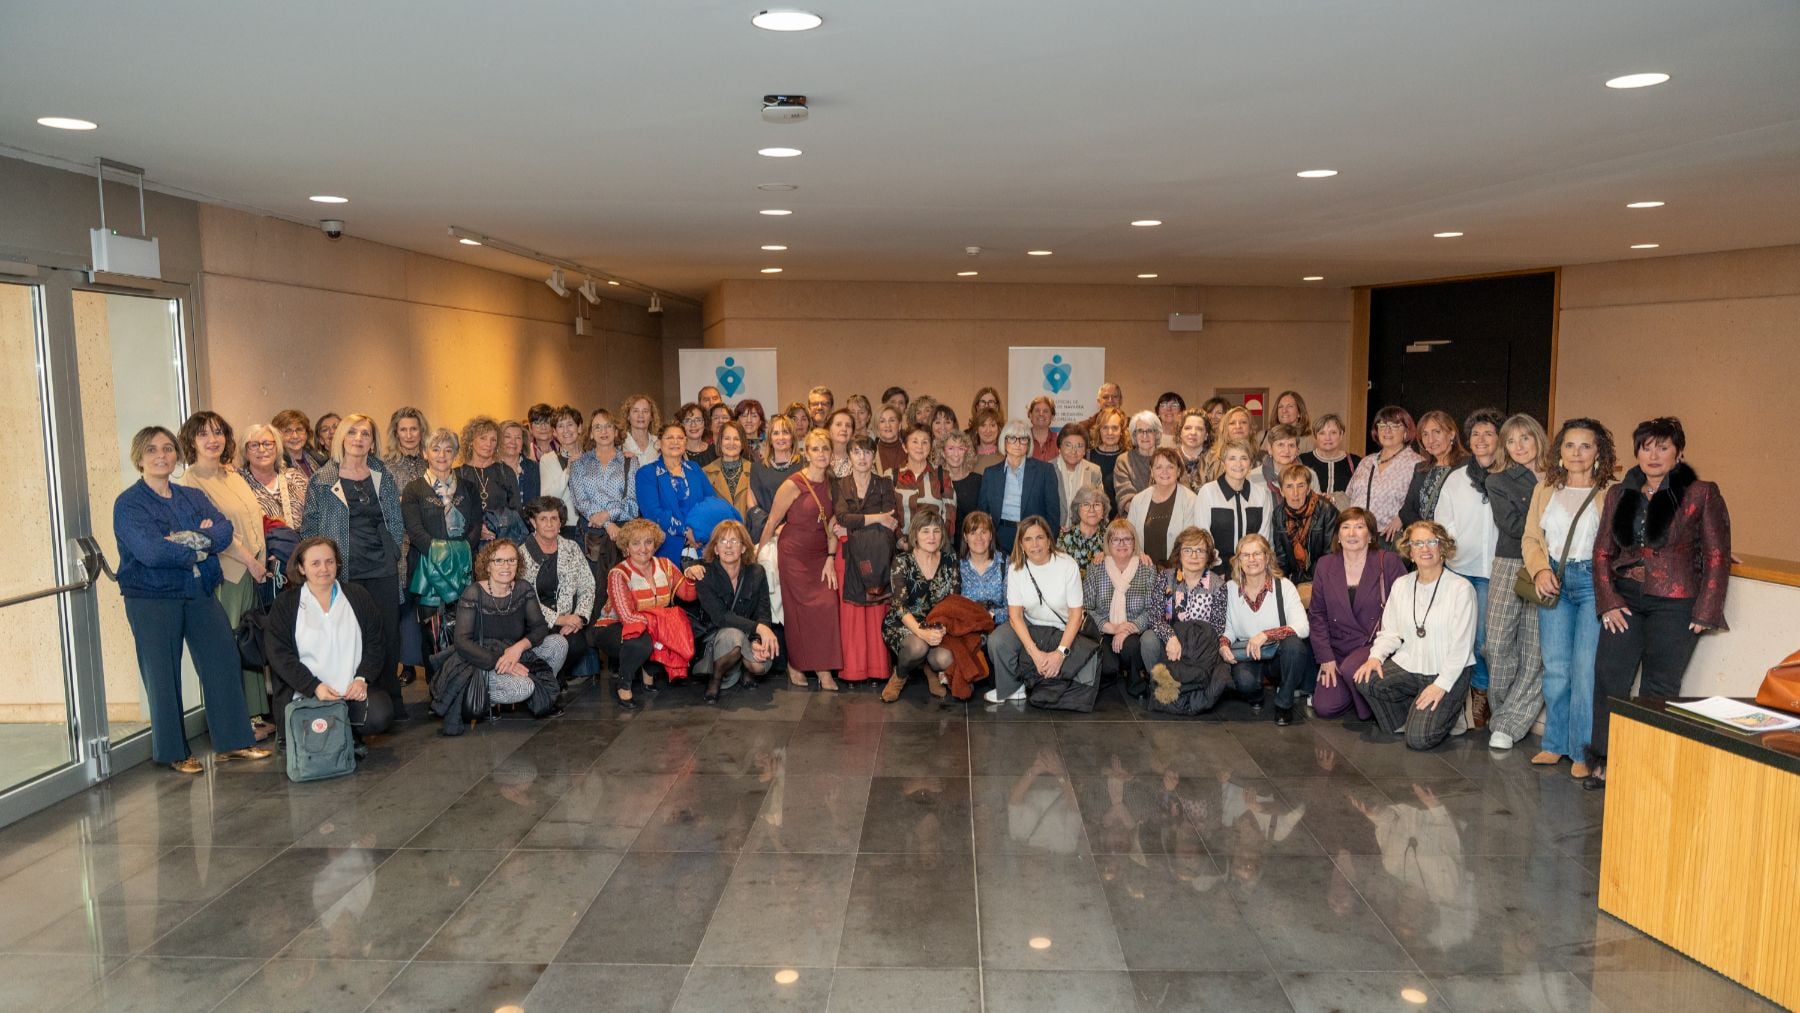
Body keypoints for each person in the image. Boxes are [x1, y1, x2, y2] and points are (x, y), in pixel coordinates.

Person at [113, 426, 271, 773]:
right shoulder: (129, 504)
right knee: (163, 675)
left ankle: (233, 742)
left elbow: (223, 531)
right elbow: (152, 552)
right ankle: (173, 752)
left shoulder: (191, 496)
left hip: (199, 591)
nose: (161, 455)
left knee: (223, 660)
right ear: (139, 457)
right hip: (152, 598)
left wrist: (184, 539)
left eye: (168, 448)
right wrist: (201, 544)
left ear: (177, 454)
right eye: (152, 450)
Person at [1586, 417, 1731, 790]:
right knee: (1609, 677)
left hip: (1676, 602)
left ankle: (1648, 766)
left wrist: (1707, 609)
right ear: (1637, 452)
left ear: (1679, 453)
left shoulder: (1700, 492)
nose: (1653, 455)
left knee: (1659, 685)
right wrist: (1608, 600)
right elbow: (1602, 552)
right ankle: (1605, 758)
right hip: (1625, 598)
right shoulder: (1620, 492)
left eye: (1663, 447)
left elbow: (1717, 554)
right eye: (1646, 447)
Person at [1521, 418, 1616, 778]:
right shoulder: (1545, 489)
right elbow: (1531, 538)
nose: (1577, 453)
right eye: (1570, 445)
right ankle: (1554, 743)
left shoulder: (1612, 492)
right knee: (1557, 669)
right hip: (1554, 581)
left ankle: (1581, 751)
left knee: (1584, 670)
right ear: (1559, 451)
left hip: (1593, 583)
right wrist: (1539, 571)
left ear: (1598, 452)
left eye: (1586, 446)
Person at [301, 413, 408, 717]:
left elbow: (395, 520)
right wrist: (320, 567)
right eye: (352, 432)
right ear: (341, 438)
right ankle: (355, 703)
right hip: (345, 570)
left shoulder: (381, 473)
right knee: (352, 636)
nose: (359, 439)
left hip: (383, 567)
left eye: (365, 434)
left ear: (373, 442)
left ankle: (391, 701)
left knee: (388, 635)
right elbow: (309, 528)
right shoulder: (322, 479)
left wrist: (394, 551)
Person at [177, 411, 274, 736]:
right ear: (191, 441)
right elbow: (218, 534)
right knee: (229, 646)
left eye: (218, 432)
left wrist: (258, 561)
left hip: (250, 571)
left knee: (248, 640)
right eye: (203, 434)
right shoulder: (190, 483)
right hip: (227, 573)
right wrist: (251, 562)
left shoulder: (231, 475)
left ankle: (255, 716)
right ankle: (237, 720)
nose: (212, 439)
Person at [1353, 520, 1478, 750]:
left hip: (1447, 672)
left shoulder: (1461, 589)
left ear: (1442, 548)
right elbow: (1390, 632)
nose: (1425, 549)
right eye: (1417, 543)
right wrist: (1375, 657)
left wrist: (1441, 685)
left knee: (1418, 739)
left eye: (1432, 542)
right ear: (1410, 551)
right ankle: (1417, 714)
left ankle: (1453, 711)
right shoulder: (1401, 585)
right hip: (1410, 666)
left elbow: (1461, 648)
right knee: (1366, 678)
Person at [265, 536, 395, 743]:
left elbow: (376, 643)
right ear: (301, 568)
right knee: (316, 737)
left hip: (351, 693)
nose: (324, 569)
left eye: (329, 561)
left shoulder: (357, 596)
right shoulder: (285, 604)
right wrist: (314, 686)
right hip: (307, 695)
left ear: (337, 564)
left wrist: (362, 679)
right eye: (315, 563)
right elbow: (279, 655)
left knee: (379, 715)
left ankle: (347, 734)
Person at [435, 539, 567, 734]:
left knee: (558, 643)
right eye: (499, 561)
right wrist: (502, 661)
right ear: (487, 565)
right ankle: (489, 700)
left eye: (511, 560)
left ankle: (540, 696)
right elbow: (462, 641)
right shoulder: (473, 593)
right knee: (523, 688)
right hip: (480, 659)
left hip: (514, 652)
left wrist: (518, 648)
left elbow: (540, 627)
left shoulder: (523, 588)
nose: (506, 566)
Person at [1482, 413, 1549, 751]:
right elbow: (1512, 525)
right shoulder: (1498, 481)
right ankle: (1504, 714)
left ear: (1538, 438)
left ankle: (1511, 723)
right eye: (1510, 441)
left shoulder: (1560, 478)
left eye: (1525, 438)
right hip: (1510, 563)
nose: (1519, 446)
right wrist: (1547, 523)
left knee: (1534, 648)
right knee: (1497, 644)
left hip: (1548, 567)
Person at [1433, 409, 1503, 727]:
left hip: (1495, 570)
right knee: (1459, 636)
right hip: (1460, 569)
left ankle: (1482, 692)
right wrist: (1452, 553)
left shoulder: (1509, 475)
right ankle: (1460, 695)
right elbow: (1443, 522)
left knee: (1485, 640)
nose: (1481, 439)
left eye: (1488, 433)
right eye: (1475, 434)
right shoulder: (1457, 478)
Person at [1306, 507, 1409, 722]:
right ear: (1338, 535)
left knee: (1351, 668)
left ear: (1370, 535)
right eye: (1346, 527)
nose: (1352, 533)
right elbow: (1317, 615)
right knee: (1324, 707)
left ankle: (1365, 692)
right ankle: (1359, 689)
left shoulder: (1388, 562)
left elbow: (1405, 608)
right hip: (1338, 648)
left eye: (1359, 527)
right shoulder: (1325, 564)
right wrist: (1326, 657)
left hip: (1374, 645)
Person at [758, 427, 842, 691]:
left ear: (832, 453)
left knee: (828, 604)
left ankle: (823, 666)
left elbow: (833, 524)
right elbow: (772, 521)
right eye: (815, 449)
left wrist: (830, 557)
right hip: (793, 555)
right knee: (799, 613)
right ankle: (797, 664)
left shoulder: (834, 484)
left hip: (820, 554)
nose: (821, 454)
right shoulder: (793, 483)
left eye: (825, 449)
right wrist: (757, 557)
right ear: (806, 453)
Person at [983, 516, 1098, 704]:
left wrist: (1060, 653)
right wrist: (1034, 653)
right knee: (998, 640)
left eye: (1039, 537)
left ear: (1049, 540)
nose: (1035, 545)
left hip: (1063, 626)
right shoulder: (1016, 568)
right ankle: (1012, 688)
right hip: (1031, 622)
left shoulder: (1067, 565)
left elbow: (1076, 616)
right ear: (1021, 544)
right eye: (1028, 539)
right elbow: (1015, 616)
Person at [593, 519, 698, 708]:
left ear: (655, 544)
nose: (643, 548)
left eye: (648, 542)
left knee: (685, 628)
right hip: (612, 627)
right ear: (626, 547)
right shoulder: (618, 573)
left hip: (650, 625)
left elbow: (688, 595)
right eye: (636, 543)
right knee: (642, 642)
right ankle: (624, 684)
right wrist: (664, 624)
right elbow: (627, 617)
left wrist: (692, 575)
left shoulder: (665, 565)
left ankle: (648, 670)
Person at [1220, 533, 1313, 724]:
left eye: (1257, 554)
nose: (1251, 559)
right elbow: (1229, 628)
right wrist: (1223, 644)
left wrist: (1266, 634)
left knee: (1295, 646)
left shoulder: (1284, 586)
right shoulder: (1230, 588)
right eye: (1245, 555)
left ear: (1267, 557)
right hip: (1248, 653)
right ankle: (1256, 696)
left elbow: (1303, 627)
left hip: (1279, 654)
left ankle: (1284, 703)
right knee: (1245, 683)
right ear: (1238, 560)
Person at [683, 520, 778, 701]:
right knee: (734, 636)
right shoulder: (704, 573)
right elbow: (721, 617)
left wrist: (757, 639)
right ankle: (715, 679)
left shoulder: (756, 572)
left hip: (748, 634)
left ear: (743, 548)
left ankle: (745, 668)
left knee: (760, 665)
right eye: (723, 541)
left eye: (734, 541)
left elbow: (763, 612)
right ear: (715, 549)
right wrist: (759, 628)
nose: (728, 546)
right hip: (716, 637)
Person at [833, 434, 899, 684]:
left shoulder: (884, 484)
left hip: (877, 557)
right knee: (851, 615)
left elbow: (891, 520)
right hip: (848, 557)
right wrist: (877, 518)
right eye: (857, 452)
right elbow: (842, 518)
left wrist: (853, 528)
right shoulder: (840, 484)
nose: (862, 457)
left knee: (876, 612)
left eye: (868, 452)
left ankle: (878, 670)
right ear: (849, 456)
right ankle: (853, 671)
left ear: (874, 456)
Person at [881, 508, 961, 701]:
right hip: (904, 622)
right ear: (915, 534)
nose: (931, 537)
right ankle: (899, 676)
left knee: (944, 658)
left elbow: (953, 602)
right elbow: (899, 606)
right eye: (925, 531)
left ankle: (929, 669)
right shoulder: (902, 561)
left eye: (936, 531)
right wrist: (921, 632)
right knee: (918, 646)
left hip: (936, 623)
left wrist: (941, 628)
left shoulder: (950, 559)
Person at [401, 426, 478, 622]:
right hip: (427, 569)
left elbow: (476, 527)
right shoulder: (413, 489)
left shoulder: (469, 488)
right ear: (425, 453)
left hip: (463, 568)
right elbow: (415, 531)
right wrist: (444, 557)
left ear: (455, 454)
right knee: (431, 632)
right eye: (435, 449)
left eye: (448, 450)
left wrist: (458, 557)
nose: (442, 455)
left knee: (464, 628)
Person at [520, 496, 597, 682]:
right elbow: (525, 599)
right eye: (543, 519)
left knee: (577, 644)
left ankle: (554, 678)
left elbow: (587, 585)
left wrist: (579, 617)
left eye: (554, 518)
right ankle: (546, 681)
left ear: (560, 522)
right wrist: (559, 619)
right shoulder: (521, 553)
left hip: (568, 618)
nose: (549, 524)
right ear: (533, 522)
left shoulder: (571, 548)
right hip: (534, 621)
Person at [1084, 519, 1161, 697]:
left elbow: (1152, 609)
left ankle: (1136, 683)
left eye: (1127, 539)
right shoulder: (1096, 567)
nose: (1122, 544)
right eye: (1116, 539)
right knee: (1108, 666)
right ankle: (1111, 677)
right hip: (1103, 630)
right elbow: (1086, 608)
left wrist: (1127, 629)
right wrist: (1111, 628)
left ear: (1134, 542)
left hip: (1133, 630)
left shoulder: (1147, 568)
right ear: (1108, 543)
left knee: (1132, 648)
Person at [566, 409, 640, 584]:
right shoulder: (579, 463)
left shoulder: (630, 461)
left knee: (623, 587)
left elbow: (633, 503)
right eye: (597, 427)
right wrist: (608, 524)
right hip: (592, 536)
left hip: (623, 534)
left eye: (608, 426)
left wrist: (607, 515)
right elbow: (580, 502)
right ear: (591, 434)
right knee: (593, 587)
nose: (603, 431)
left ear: (616, 431)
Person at [1141, 527, 1230, 672]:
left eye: (1200, 550)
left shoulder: (1218, 585)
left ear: (1208, 556)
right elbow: (1154, 617)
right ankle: (1158, 682)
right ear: (1179, 553)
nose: (1194, 556)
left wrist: (1190, 644)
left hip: (1200, 648)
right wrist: (1170, 637)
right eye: (1188, 550)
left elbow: (1217, 629)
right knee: (1148, 639)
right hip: (1169, 642)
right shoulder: (1165, 578)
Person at [635, 421, 719, 563]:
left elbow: (711, 502)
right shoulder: (647, 473)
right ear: (659, 443)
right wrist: (685, 531)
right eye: (669, 438)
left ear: (685, 442)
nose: (675, 442)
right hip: (666, 549)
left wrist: (699, 531)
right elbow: (653, 513)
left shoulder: (694, 468)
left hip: (701, 545)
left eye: (680, 438)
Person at [1345, 405, 1425, 548]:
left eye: (1394, 426)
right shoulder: (1367, 461)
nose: (1387, 430)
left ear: (1406, 431)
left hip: (1389, 540)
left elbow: (1421, 503)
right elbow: (1350, 496)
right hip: (1356, 537)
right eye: (1382, 425)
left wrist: (1402, 517)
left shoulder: (1417, 463)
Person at [978, 419, 1062, 552]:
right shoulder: (991, 473)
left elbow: (1053, 513)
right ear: (1004, 442)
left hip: (1034, 537)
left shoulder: (1045, 471)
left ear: (1028, 443)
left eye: (1023, 439)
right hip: (1000, 536)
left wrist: (1049, 542)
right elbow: (982, 513)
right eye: (1012, 438)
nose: (1017, 444)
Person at [1195, 439, 1274, 576]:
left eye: (1244, 458)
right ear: (1223, 463)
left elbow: (1263, 538)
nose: (1238, 464)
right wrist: (1218, 568)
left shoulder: (1261, 494)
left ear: (1250, 463)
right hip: (1216, 571)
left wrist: (1250, 566)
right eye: (1232, 458)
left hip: (1252, 569)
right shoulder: (1208, 492)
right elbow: (1203, 536)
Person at [1127, 447, 1201, 568]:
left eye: (1170, 467)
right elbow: (1129, 536)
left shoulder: (1191, 501)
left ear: (1178, 471)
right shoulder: (1138, 500)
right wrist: (1138, 555)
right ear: (1151, 471)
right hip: (1143, 570)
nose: (1164, 472)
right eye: (1158, 467)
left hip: (1177, 571)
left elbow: (1190, 542)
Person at [1272, 463, 1338, 593]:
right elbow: (1281, 558)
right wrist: (1282, 586)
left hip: (1325, 577)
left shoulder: (1326, 510)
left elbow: (1330, 555)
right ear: (1281, 491)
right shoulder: (1278, 514)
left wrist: (1303, 581)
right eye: (1289, 486)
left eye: (1300, 486)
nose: (1295, 493)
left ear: (1308, 489)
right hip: (1295, 580)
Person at [456, 416, 522, 546]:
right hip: (468, 545)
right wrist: (477, 530)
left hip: (501, 543)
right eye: (483, 438)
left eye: (493, 440)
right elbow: (453, 515)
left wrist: (495, 527)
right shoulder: (458, 474)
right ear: (471, 441)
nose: (488, 444)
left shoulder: (505, 472)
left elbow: (516, 512)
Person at [1399, 410, 1468, 528]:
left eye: (1437, 432)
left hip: (1455, 535)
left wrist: (1440, 534)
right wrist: (1426, 531)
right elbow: (1406, 511)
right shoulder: (1420, 468)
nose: (1431, 440)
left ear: (1451, 434)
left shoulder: (1467, 466)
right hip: (1423, 535)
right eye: (1425, 434)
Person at [894, 425, 956, 546]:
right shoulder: (892, 476)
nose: (920, 447)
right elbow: (890, 514)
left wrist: (936, 543)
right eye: (915, 441)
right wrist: (901, 541)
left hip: (935, 546)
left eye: (925, 442)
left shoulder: (942, 476)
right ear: (905, 447)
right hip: (903, 547)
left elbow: (950, 516)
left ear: (930, 447)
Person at [239, 421, 308, 530]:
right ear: (245, 452)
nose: (262, 450)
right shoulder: (238, 484)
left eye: (267, 444)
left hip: (304, 540)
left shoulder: (296, 477)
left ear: (277, 448)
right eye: (254, 445)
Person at [748, 414, 802, 542]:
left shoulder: (804, 465)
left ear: (792, 437)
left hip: (797, 534)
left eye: (785, 432)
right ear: (770, 439)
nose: (781, 437)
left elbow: (807, 503)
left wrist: (787, 527)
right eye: (776, 433)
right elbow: (751, 504)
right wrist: (772, 527)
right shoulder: (757, 468)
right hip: (765, 534)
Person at [538, 406, 584, 535]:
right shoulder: (548, 459)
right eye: (560, 426)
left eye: (570, 424)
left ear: (579, 428)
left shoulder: (590, 457)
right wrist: (568, 471)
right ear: (554, 432)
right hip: (565, 526)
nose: (566, 430)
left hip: (592, 525)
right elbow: (548, 499)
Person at [959, 511, 1008, 629]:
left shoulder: (1005, 563)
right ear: (965, 537)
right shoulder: (957, 565)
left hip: (998, 626)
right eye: (973, 533)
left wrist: (990, 616)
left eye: (983, 532)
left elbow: (1013, 609)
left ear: (991, 535)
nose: (979, 538)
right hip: (966, 624)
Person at [1300, 413, 1360, 509]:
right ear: (1315, 437)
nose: (1327, 438)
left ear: (1341, 434)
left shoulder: (1356, 462)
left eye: (1333, 432)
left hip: (1344, 516)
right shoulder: (1303, 460)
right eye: (1322, 433)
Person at [702, 420, 756, 522]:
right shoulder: (705, 473)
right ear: (720, 441)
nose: (731, 443)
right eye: (727, 438)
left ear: (743, 443)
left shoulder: (755, 471)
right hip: (716, 530)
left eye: (736, 439)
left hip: (746, 530)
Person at [1050, 424, 1102, 523]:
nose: (1073, 451)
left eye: (1079, 446)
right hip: (1053, 529)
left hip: (1084, 529)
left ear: (1085, 451)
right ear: (1059, 447)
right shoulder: (1047, 469)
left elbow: (1098, 506)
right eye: (1068, 445)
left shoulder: (1094, 471)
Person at [1113, 412, 1162, 515]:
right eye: (1140, 431)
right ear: (1134, 435)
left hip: (1166, 516)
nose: (1145, 435)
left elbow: (1182, 491)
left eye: (1149, 430)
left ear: (1157, 433)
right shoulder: (1124, 460)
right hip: (1133, 518)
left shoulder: (1169, 457)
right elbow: (1125, 498)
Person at [941, 431, 983, 550]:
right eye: (951, 448)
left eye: (960, 448)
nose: (956, 454)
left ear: (966, 452)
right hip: (943, 547)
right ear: (943, 453)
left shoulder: (978, 481)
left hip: (972, 546)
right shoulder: (935, 480)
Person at [1057, 485, 1111, 576]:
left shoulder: (1111, 538)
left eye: (1097, 504)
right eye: (1086, 504)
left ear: (1104, 510)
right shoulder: (1065, 537)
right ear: (1078, 510)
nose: (1092, 510)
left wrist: (1109, 556)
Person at [383, 407, 430, 504]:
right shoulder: (384, 465)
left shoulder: (432, 462)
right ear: (396, 433)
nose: (409, 436)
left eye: (414, 429)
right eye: (403, 430)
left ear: (422, 431)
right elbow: (382, 504)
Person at [1086, 407, 1129, 511]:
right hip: (1093, 515)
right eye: (1105, 427)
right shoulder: (1087, 456)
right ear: (1099, 430)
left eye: (1115, 428)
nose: (1110, 432)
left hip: (1122, 517)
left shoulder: (1129, 457)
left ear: (1122, 431)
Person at [1260, 425, 1319, 495]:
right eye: (1281, 445)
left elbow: (1316, 501)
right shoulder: (1253, 476)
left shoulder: (1310, 475)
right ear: (1270, 449)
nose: (1286, 451)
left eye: (1291, 445)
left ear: (1297, 450)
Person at [1203, 406, 1258, 481]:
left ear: (1251, 428)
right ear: (1225, 428)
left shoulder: (1262, 458)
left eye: (1243, 422)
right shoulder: (1209, 457)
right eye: (1232, 423)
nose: (1238, 426)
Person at [501, 420, 541, 504]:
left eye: (518, 438)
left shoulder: (534, 468)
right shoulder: (490, 468)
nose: (513, 442)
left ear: (523, 443)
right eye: (507, 437)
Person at [1263, 390, 1312, 456]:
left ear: (1299, 413)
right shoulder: (1263, 437)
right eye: (1280, 407)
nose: (1284, 410)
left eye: (1290, 406)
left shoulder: (1308, 442)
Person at [273, 409, 319, 479]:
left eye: (299, 429)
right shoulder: (276, 465)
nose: (295, 436)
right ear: (277, 435)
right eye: (287, 431)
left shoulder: (319, 460)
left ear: (307, 433)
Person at [1173, 408, 1212, 489]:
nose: (1193, 432)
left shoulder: (1215, 460)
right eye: (1188, 428)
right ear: (1180, 432)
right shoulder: (1169, 458)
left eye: (1199, 429)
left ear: (1206, 435)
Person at [619, 394, 661, 462]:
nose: (640, 415)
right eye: (635, 411)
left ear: (651, 417)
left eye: (645, 411)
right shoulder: (620, 444)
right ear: (628, 416)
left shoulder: (660, 444)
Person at [675, 402, 716, 468]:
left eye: (698, 420)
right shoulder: (676, 452)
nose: (693, 425)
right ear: (682, 425)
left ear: (704, 423)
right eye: (688, 420)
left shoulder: (715, 451)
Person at [874, 404, 908, 475]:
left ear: (899, 425)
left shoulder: (910, 450)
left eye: (892, 420)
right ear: (877, 427)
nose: (887, 425)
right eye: (882, 421)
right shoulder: (871, 453)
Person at [826, 408, 857, 477]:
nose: (844, 429)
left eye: (848, 425)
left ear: (852, 433)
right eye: (838, 424)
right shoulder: (820, 457)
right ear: (828, 429)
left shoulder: (860, 459)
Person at [1027, 396, 1059, 461]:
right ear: (1030, 415)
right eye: (1037, 411)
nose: (1041, 414)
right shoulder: (1022, 439)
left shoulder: (1059, 440)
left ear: (1052, 417)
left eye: (1045, 411)